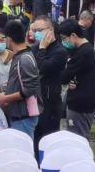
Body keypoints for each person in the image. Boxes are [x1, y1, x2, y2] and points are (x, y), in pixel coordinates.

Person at [0, 21, 43, 140]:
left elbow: (30, 89)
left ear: (9, 39)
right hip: (18, 116)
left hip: (24, 117)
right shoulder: (20, 56)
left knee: (22, 149)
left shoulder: (25, 59)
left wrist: (6, 98)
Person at [30, 16, 68, 153]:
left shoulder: (60, 51)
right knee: (34, 143)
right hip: (34, 102)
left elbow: (44, 68)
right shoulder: (34, 48)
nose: (37, 33)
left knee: (47, 143)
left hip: (50, 104)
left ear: (50, 30)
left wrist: (42, 48)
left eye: (40, 30)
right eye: (35, 30)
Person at [59, 19, 95, 140]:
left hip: (80, 104)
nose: (63, 42)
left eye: (64, 38)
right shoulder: (84, 48)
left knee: (78, 140)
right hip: (83, 101)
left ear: (73, 36)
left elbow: (64, 77)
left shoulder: (83, 52)